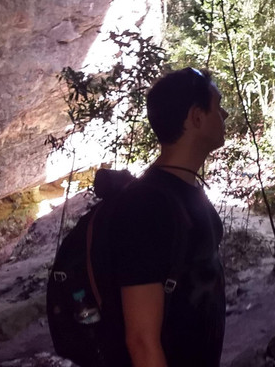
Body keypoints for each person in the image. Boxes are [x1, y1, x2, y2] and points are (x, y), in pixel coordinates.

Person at [96, 67, 229, 367]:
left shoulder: (184, 190)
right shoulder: (146, 207)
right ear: (196, 117)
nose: (225, 115)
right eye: (218, 107)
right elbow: (142, 341)